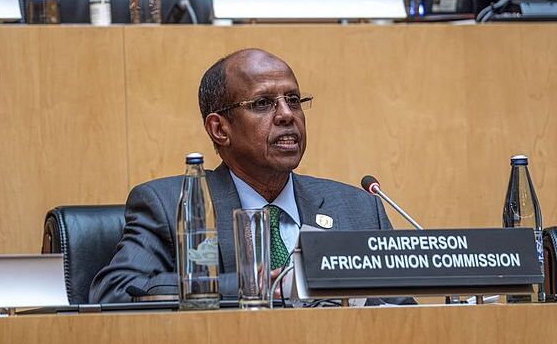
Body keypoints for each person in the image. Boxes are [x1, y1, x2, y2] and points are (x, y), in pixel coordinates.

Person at [89, 48, 399, 303]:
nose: (287, 115)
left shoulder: (358, 209)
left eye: (293, 100)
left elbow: (405, 312)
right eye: (263, 103)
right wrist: (255, 286)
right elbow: (114, 292)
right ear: (220, 129)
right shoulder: (172, 205)